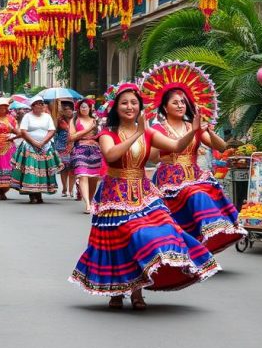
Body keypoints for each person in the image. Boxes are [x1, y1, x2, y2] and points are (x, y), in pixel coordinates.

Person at [70, 84, 218, 310]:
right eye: (124, 103)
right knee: (117, 244)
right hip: (115, 193)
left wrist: (193, 130)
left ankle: (137, 290)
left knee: (156, 232)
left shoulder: (150, 132)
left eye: (134, 103)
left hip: (143, 191)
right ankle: (117, 292)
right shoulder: (107, 133)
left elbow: (177, 146)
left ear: (140, 106)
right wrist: (138, 133)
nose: (130, 107)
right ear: (115, 107)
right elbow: (111, 156)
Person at [149, 87, 245, 253]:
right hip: (169, 178)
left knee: (202, 194)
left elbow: (221, 147)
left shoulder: (193, 126)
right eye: (175, 102)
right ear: (165, 108)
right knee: (193, 196)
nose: (180, 106)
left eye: (183, 102)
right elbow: (152, 157)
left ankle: (206, 240)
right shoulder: (158, 129)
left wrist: (209, 131)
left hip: (194, 175)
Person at [10, 96, 60, 203]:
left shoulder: (47, 116)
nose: (40, 105)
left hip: (45, 146)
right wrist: (34, 142)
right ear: (32, 106)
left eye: (42, 103)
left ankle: (40, 193)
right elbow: (23, 131)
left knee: (43, 170)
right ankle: (32, 194)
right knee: (31, 170)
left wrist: (42, 142)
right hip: (29, 146)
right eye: (38, 103)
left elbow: (52, 130)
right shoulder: (27, 116)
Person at [69, 99, 103, 215]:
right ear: (78, 108)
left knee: (93, 178)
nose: (83, 109)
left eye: (86, 107)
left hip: (95, 150)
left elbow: (101, 136)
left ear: (90, 108)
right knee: (83, 175)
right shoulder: (74, 120)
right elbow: (72, 137)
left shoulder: (96, 121)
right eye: (81, 107)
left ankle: (90, 201)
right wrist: (88, 129)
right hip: (79, 149)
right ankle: (88, 204)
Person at [55, 101, 76, 197]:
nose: (68, 111)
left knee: (72, 168)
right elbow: (66, 129)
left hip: (74, 145)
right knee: (64, 168)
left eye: (69, 109)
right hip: (62, 146)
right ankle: (64, 188)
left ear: (73, 110)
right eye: (65, 110)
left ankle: (71, 190)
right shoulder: (60, 120)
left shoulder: (76, 120)